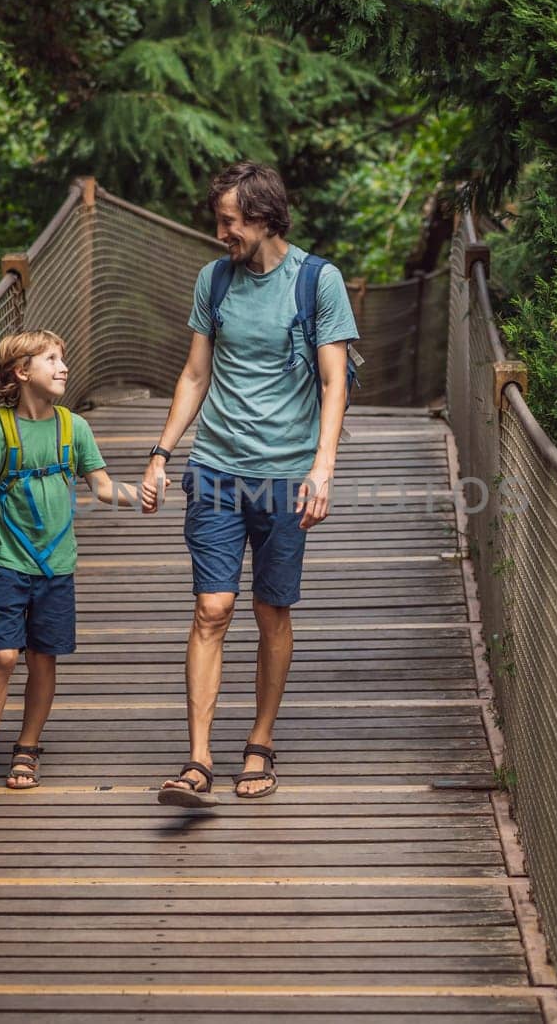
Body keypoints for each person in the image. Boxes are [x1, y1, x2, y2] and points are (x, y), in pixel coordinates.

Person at [140, 161, 359, 806]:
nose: (221, 234)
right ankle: (199, 758)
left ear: (263, 218)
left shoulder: (318, 282)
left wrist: (323, 468)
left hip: (286, 477)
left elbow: (332, 383)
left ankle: (260, 741)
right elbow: (194, 375)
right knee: (212, 608)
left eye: (230, 223)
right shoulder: (214, 279)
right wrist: (160, 452)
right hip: (216, 469)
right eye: (219, 222)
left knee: (271, 611)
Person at [0, 329, 145, 808]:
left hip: (56, 565)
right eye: (52, 359)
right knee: (3, 656)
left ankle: (28, 747)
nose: (63, 367)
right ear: (22, 372)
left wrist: (136, 495)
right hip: (7, 560)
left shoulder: (72, 428)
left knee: (43, 657)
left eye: (63, 358)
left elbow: (100, 486)